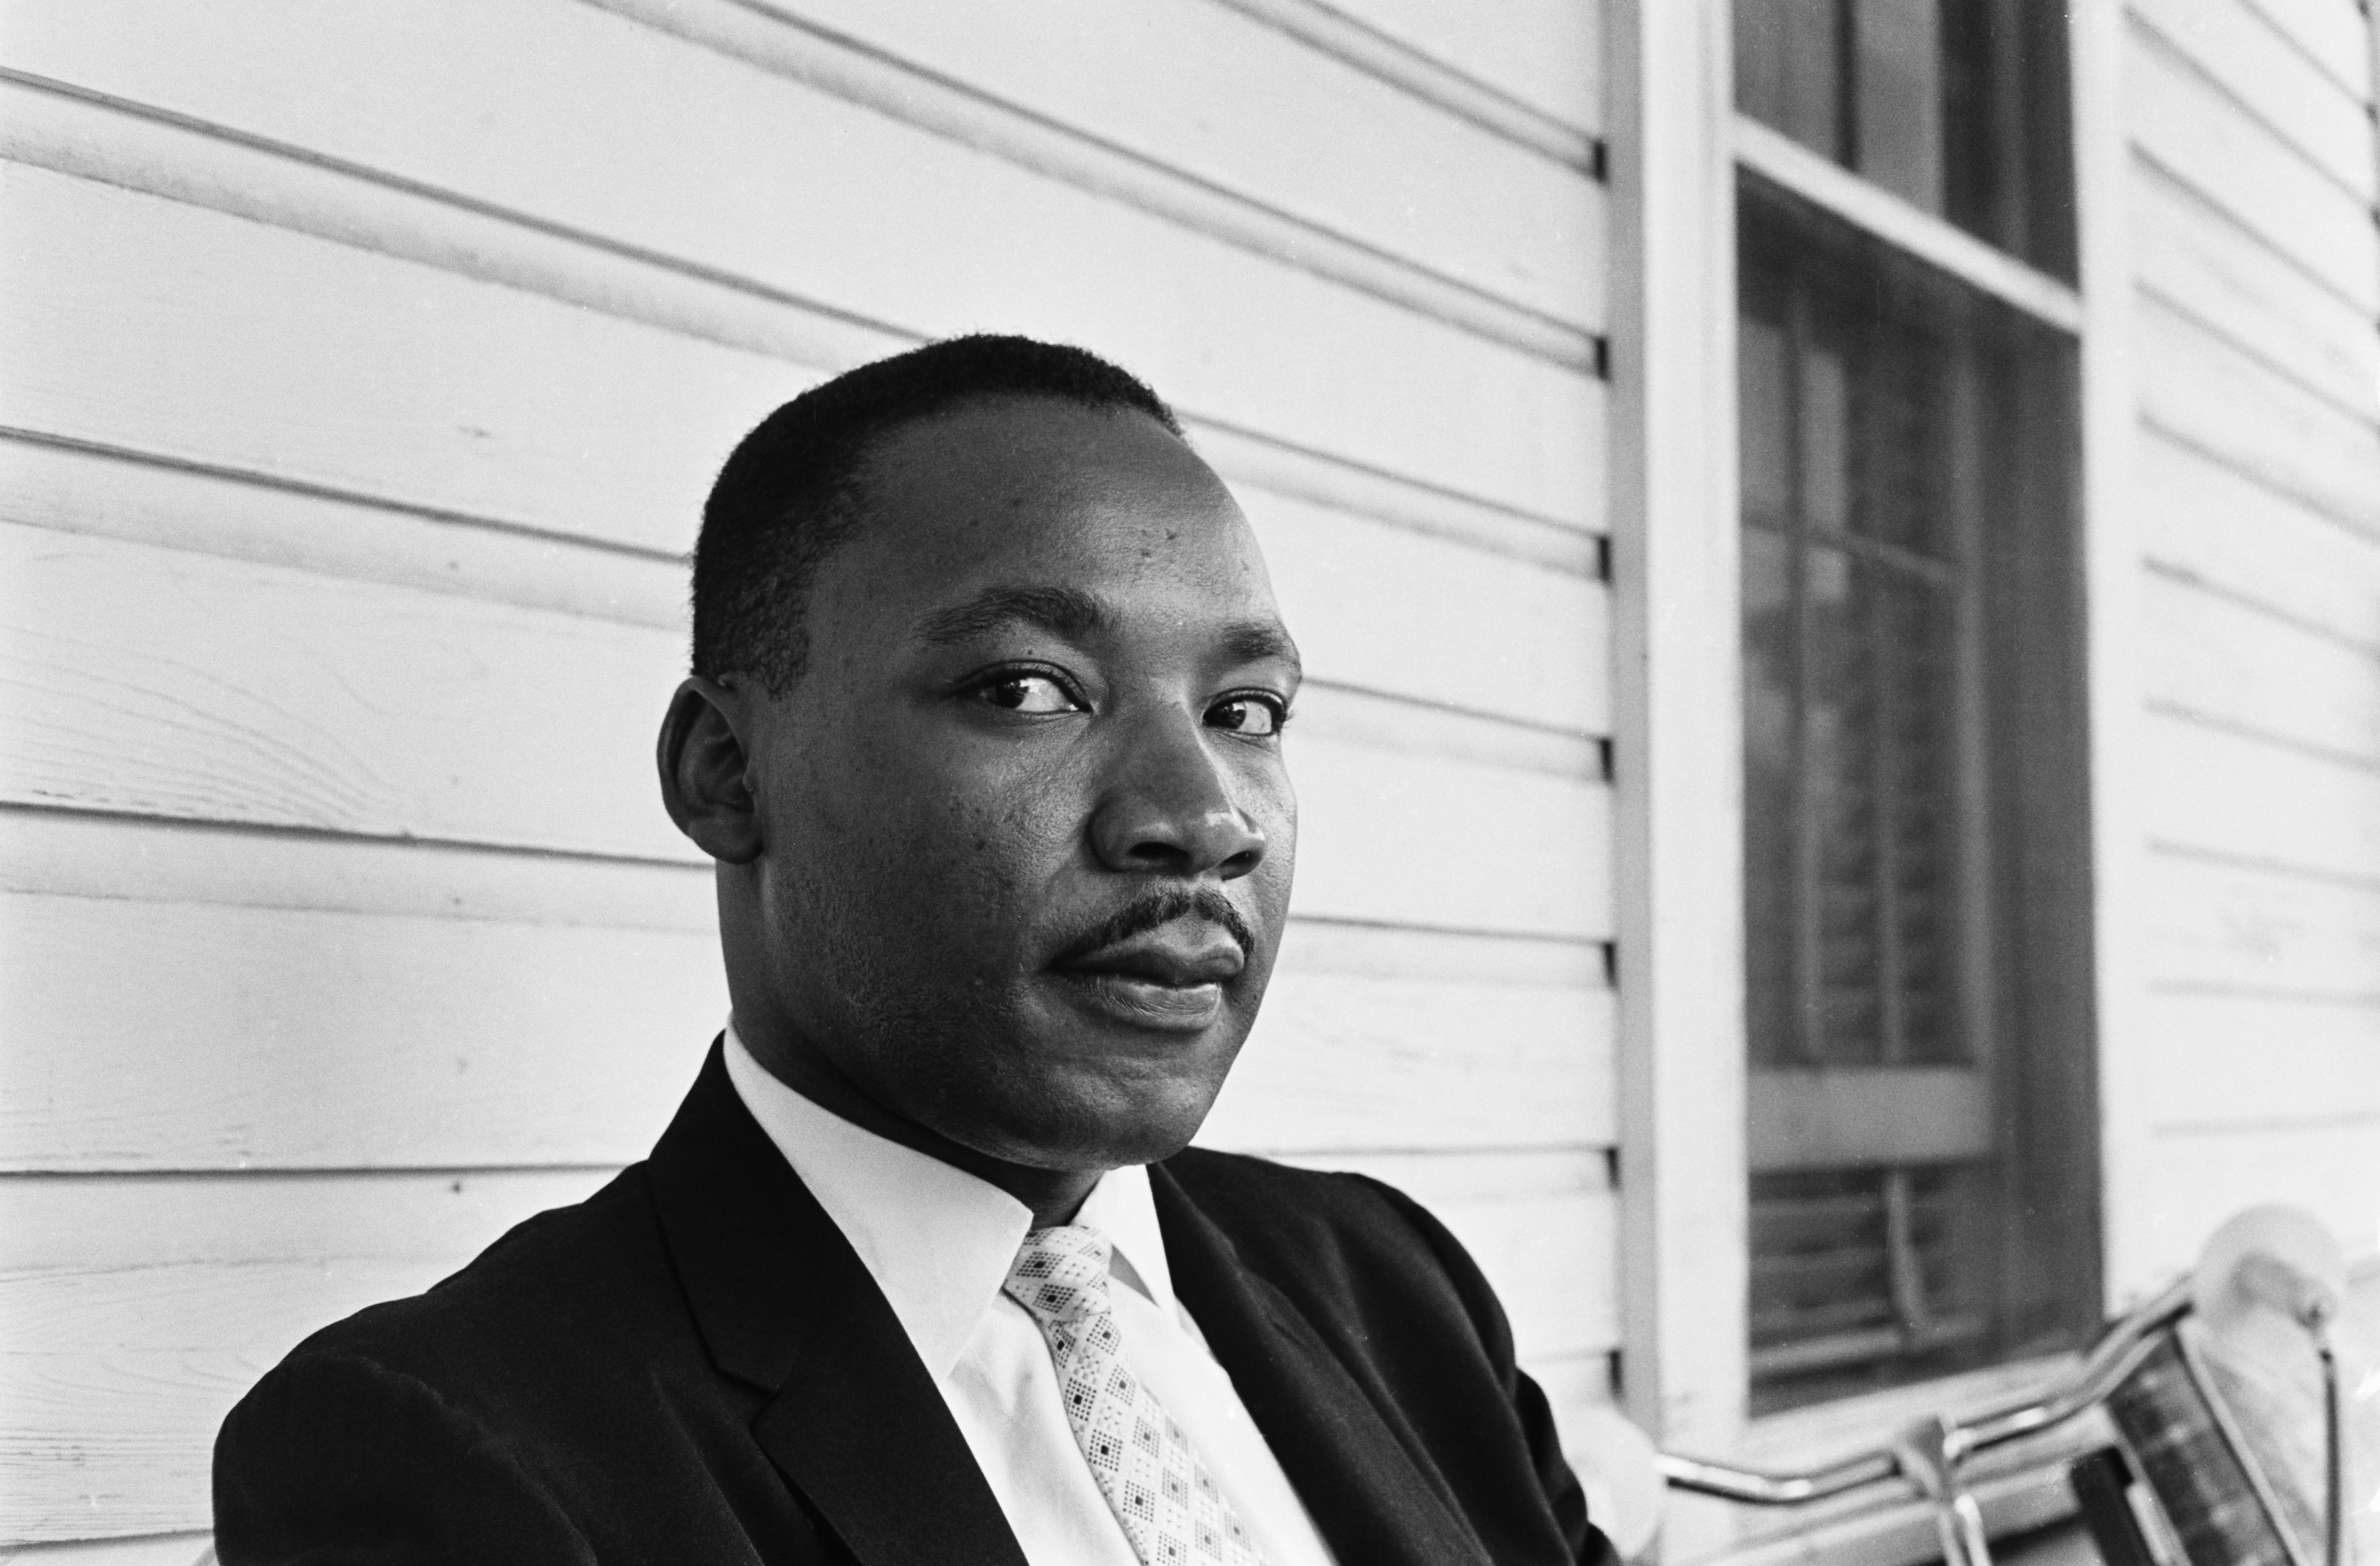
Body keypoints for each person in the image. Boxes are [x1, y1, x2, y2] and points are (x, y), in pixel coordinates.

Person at [212, 335, 1617, 1565]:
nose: (1199, 815)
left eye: (1247, 709)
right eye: (1028, 689)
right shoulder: (456, 1450)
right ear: (726, 771)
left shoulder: (1391, 1287)